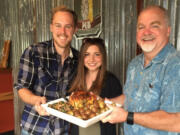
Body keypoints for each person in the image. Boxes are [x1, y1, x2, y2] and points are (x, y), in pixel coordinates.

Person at [102, 5, 180, 134]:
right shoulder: (134, 63)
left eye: (154, 26)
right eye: (141, 27)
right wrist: (105, 104)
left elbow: (176, 122)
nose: (146, 32)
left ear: (168, 30)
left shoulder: (175, 66)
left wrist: (127, 116)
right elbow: (130, 97)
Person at [14, 6, 79, 135]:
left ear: (75, 29)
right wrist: (35, 100)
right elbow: (21, 87)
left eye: (68, 26)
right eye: (58, 25)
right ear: (51, 27)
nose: (62, 31)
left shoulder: (79, 59)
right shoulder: (34, 52)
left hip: (63, 129)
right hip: (34, 127)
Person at [68, 38, 122, 135]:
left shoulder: (111, 81)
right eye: (87, 54)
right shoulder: (76, 78)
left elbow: (120, 109)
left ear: (103, 57)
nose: (91, 59)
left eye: (97, 54)